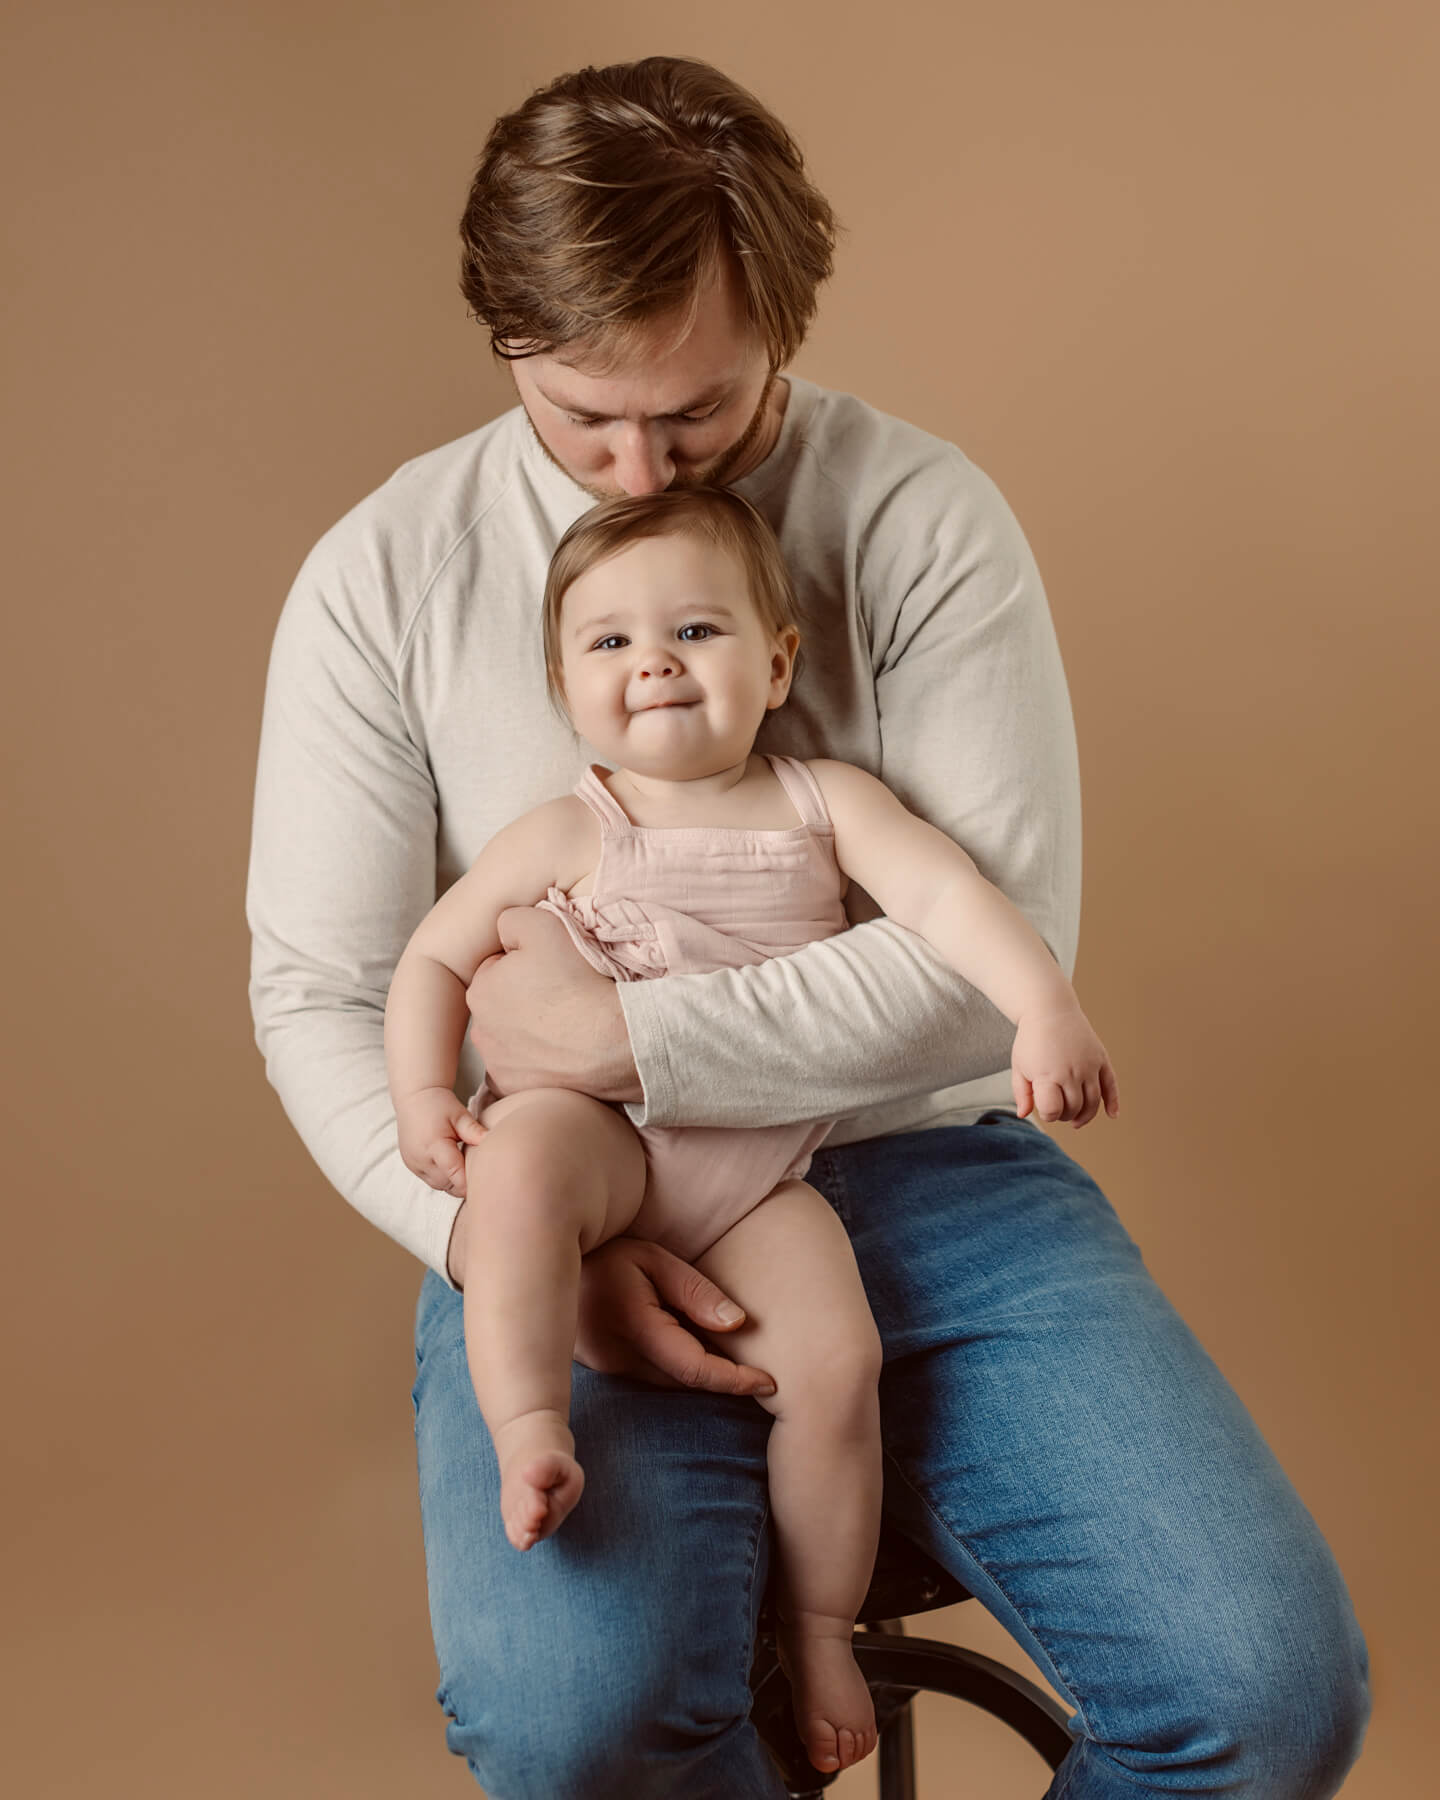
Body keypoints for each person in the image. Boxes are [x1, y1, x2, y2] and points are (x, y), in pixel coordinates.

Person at [247, 54, 1369, 1799]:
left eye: (695, 418)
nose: (632, 467)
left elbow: (987, 951)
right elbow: (323, 986)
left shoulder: (922, 521)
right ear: (504, 344)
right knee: (576, 1729)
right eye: (575, 415)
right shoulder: (383, 574)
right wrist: (494, 1239)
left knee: (1270, 1700)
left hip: (927, 1180)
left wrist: (629, 1036)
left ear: (783, 318)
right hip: (575, 1196)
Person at [383, 484, 1119, 1774]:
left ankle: (821, 1623)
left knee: (834, 1368)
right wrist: (422, 1097)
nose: (655, 661)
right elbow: (430, 964)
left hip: (762, 1169)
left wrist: (1042, 1011)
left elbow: (951, 901)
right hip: (597, 1135)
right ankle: (529, 1428)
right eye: (608, 643)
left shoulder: (822, 801)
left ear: (776, 663)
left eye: (698, 632)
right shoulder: (567, 831)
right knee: (516, 1186)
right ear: (563, 689)